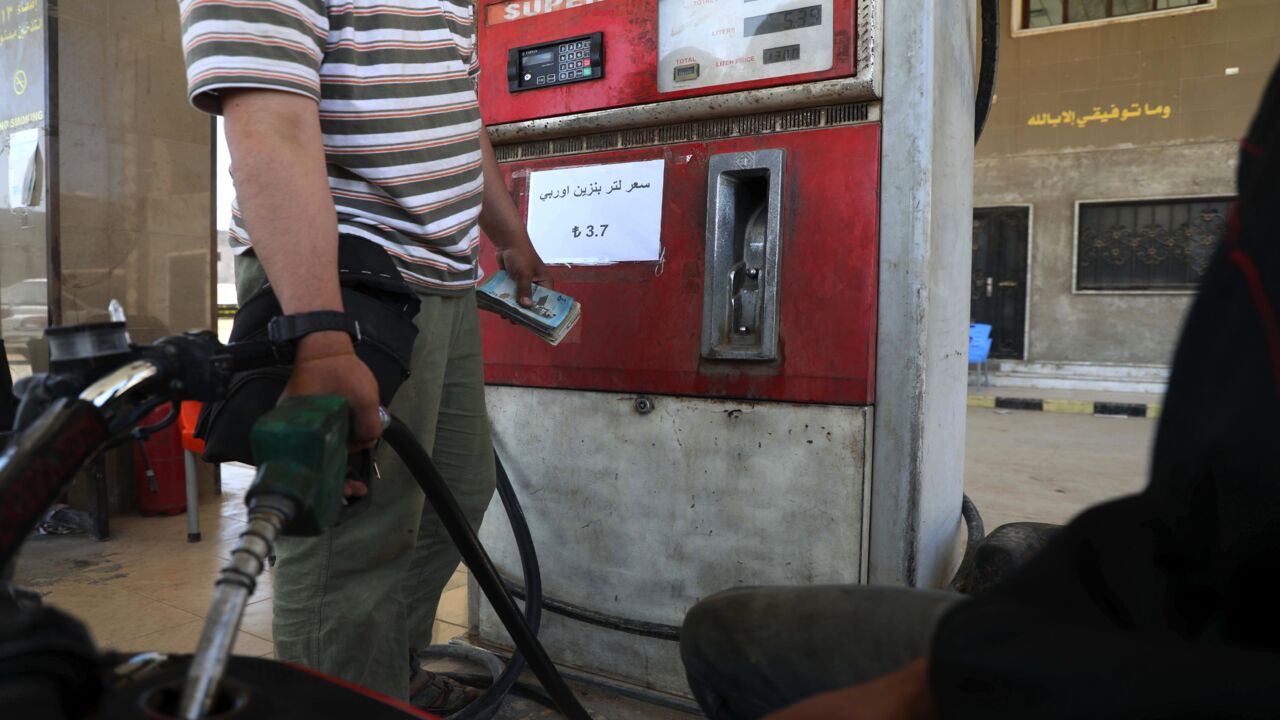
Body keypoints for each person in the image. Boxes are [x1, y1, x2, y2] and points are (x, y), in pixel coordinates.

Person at [680, 60, 1280, 720]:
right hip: (1159, 627)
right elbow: (1193, 522)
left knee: (728, 631)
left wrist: (940, 685)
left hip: (1168, 666)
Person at [179, 1, 548, 712]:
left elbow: (459, 114)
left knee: (456, 496)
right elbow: (268, 114)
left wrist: (508, 233)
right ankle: (348, 697)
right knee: (350, 550)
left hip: (441, 276)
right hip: (342, 276)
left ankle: (385, 677)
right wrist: (318, 334)